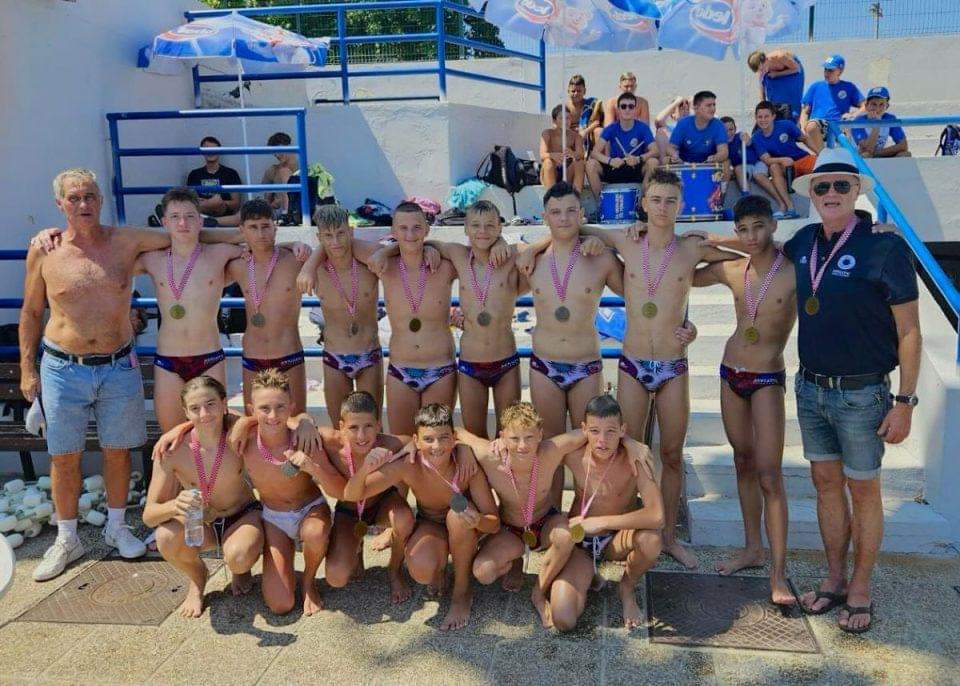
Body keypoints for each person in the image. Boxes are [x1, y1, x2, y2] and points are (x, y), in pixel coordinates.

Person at [20, 169, 237, 581]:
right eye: (74, 198)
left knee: (118, 451)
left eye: (90, 196)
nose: (83, 204)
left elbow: (184, 234)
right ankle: (67, 538)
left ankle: (117, 527)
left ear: (101, 200)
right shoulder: (46, 250)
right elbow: (31, 313)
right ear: (60, 204)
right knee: (63, 457)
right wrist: (28, 371)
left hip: (118, 363)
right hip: (62, 367)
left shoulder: (126, 241)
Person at [533, 168, 734, 569]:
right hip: (633, 363)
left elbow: (748, 252)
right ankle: (621, 528)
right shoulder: (625, 240)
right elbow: (572, 226)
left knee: (671, 453)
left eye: (671, 201)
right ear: (642, 203)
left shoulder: (691, 249)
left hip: (673, 364)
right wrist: (531, 249)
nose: (662, 208)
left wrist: (717, 239)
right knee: (627, 451)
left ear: (682, 205)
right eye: (655, 200)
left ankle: (668, 536)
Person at [787, 148, 921, 633]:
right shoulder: (803, 242)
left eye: (841, 185)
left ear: (857, 191)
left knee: (863, 492)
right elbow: (755, 247)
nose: (831, 194)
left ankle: (860, 588)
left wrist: (904, 402)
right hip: (811, 389)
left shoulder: (885, 247)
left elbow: (910, 331)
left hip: (863, 395)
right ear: (812, 195)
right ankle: (834, 578)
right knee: (825, 486)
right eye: (822, 187)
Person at [692, 195, 797, 607]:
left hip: (767, 376)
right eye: (743, 229)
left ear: (773, 225)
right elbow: (690, 271)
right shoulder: (734, 269)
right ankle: (753, 548)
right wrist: (719, 243)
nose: (751, 236)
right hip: (730, 372)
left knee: (770, 474)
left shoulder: (794, 269)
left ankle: (778, 573)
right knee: (742, 461)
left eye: (758, 227)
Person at [343, 403, 501, 631]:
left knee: (458, 517)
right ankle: (439, 569)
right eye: (428, 439)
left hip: (465, 529)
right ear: (416, 442)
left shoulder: (466, 467)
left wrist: (478, 520)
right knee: (421, 569)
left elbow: (494, 524)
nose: (436, 446)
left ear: (454, 438)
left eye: (443, 438)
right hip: (431, 525)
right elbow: (351, 494)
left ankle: (461, 591)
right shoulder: (408, 465)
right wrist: (365, 469)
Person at [368, 200, 516, 439]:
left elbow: (481, 256)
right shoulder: (385, 264)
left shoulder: (447, 264)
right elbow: (337, 247)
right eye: (403, 228)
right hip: (400, 369)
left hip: (441, 370)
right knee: (403, 444)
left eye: (417, 228)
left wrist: (501, 241)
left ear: (427, 230)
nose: (410, 234)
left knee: (440, 445)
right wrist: (387, 250)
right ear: (393, 231)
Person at [142, 376, 264, 618]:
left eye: (210, 404)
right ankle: (198, 578)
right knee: (165, 537)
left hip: (240, 516)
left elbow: (271, 421)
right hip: (200, 523)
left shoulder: (238, 435)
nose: (204, 414)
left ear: (224, 404)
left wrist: (245, 421)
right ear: (185, 412)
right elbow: (149, 516)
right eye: (195, 408)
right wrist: (174, 505)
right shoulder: (172, 450)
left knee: (239, 557)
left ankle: (240, 569)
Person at [542, 395, 663, 632]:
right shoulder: (574, 455)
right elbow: (543, 448)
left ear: (622, 430)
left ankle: (626, 588)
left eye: (611, 432)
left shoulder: (636, 459)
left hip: (616, 540)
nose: (602, 441)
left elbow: (657, 516)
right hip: (579, 543)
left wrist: (601, 522)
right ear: (583, 429)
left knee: (651, 540)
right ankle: (589, 575)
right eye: (595, 431)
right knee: (564, 619)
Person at [134, 188, 242, 430]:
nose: (183, 223)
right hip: (168, 361)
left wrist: (295, 244)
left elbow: (259, 244)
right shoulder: (152, 259)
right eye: (175, 217)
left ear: (201, 221)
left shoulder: (220, 253)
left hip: (209, 357)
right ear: (164, 222)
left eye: (190, 216)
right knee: (172, 436)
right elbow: (114, 256)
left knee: (214, 434)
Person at [229, 370, 332, 616]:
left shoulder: (301, 434)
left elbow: (302, 419)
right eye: (264, 408)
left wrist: (306, 420)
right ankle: (281, 566)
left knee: (315, 533)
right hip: (274, 518)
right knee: (280, 605)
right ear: (251, 409)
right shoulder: (244, 439)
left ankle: (308, 581)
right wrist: (172, 432)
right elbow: (207, 416)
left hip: (310, 510)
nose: (273, 416)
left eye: (280, 407)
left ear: (291, 407)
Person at [316, 391, 415, 603]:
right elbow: (294, 425)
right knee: (336, 577)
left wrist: (412, 448)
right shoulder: (330, 442)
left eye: (368, 426)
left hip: (382, 502)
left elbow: (412, 442)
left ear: (378, 425)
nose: (361, 436)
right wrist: (305, 423)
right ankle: (356, 548)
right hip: (349, 510)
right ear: (341, 426)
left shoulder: (388, 443)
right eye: (353, 427)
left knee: (404, 518)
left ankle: (395, 569)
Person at [297, 205, 384, 425]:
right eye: (328, 236)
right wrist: (309, 263)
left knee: (373, 425)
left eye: (341, 233)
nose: (335, 241)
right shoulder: (315, 268)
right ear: (319, 238)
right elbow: (273, 250)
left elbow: (400, 250)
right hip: (334, 356)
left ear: (351, 231)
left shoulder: (369, 260)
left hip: (368, 354)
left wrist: (430, 249)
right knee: (339, 427)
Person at [226, 199, 310, 416]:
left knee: (295, 422)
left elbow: (327, 254)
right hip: (253, 356)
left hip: (288, 354)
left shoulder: (295, 261)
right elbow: (201, 241)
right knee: (255, 423)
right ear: (242, 230)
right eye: (253, 227)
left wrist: (295, 244)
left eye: (265, 226)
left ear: (275, 227)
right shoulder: (237, 263)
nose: (261, 233)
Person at [586, 92, 659, 204]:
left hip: (635, 167)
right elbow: (594, 153)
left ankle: (642, 206)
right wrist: (610, 161)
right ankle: (602, 206)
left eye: (631, 106)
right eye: (623, 106)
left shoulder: (643, 128)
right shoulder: (611, 128)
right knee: (590, 164)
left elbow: (655, 151)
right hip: (615, 167)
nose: (627, 109)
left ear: (635, 109)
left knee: (653, 162)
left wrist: (638, 159)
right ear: (618, 110)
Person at [751, 101, 817, 219]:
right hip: (785, 166)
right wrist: (783, 159)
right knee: (773, 167)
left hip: (802, 158)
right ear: (756, 118)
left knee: (822, 168)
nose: (763, 120)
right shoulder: (756, 137)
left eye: (766, 116)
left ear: (773, 116)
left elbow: (804, 139)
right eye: (760, 117)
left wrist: (820, 153)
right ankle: (790, 207)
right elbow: (767, 160)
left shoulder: (786, 125)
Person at [799, 54, 864, 154]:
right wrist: (803, 128)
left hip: (839, 126)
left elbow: (865, 106)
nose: (826, 73)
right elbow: (805, 110)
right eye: (825, 69)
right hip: (819, 126)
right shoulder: (816, 86)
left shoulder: (849, 87)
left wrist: (853, 115)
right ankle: (823, 156)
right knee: (811, 126)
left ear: (840, 71)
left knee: (849, 136)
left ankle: (830, 156)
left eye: (830, 70)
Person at [186, 136, 243, 225]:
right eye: (207, 149)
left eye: (213, 149)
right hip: (201, 214)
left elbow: (236, 203)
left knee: (237, 215)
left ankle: (211, 221)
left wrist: (219, 203)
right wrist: (210, 203)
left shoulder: (231, 173)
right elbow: (192, 202)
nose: (211, 152)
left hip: (225, 216)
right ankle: (209, 221)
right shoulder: (194, 174)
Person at [667, 90, 729, 164]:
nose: (713, 108)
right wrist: (675, 156)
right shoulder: (683, 123)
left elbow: (723, 152)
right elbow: (671, 147)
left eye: (714, 105)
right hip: (684, 165)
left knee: (726, 162)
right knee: (665, 160)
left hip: (709, 164)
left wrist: (715, 158)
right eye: (708, 105)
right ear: (696, 108)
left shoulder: (718, 125)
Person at [850, 87, 910, 159]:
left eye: (881, 104)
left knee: (905, 154)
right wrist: (877, 125)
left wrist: (877, 153)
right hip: (856, 160)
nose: (877, 108)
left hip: (876, 154)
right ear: (866, 106)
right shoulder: (858, 122)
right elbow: (867, 150)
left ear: (887, 106)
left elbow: (903, 145)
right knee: (866, 155)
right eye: (874, 104)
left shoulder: (889, 119)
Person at [540, 104, 586, 193]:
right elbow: (542, 155)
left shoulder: (576, 136)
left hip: (567, 172)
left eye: (568, 118)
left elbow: (581, 155)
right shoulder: (547, 133)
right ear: (554, 120)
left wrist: (572, 153)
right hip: (551, 171)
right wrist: (554, 155)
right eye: (562, 118)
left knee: (579, 163)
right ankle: (552, 197)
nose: (565, 121)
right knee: (548, 162)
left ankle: (576, 197)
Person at [748, 49, 805, 122]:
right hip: (775, 73)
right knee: (774, 100)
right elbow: (761, 86)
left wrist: (777, 74)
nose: (762, 72)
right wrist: (763, 104)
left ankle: (794, 120)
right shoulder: (762, 68)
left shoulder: (779, 56)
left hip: (793, 71)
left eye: (762, 69)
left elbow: (797, 69)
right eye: (759, 71)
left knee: (792, 100)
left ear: (765, 60)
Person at [720, 116, 766, 198]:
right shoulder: (722, 145)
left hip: (757, 164)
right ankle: (746, 196)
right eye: (725, 131)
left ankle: (747, 198)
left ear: (735, 129)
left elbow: (748, 140)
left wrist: (746, 139)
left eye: (731, 129)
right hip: (744, 169)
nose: (728, 133)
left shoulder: (739, 136)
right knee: (737, 168)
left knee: (739, 169)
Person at [262, 132, 298, 215]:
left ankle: (288, 213)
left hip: (298, 210)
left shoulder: (305, 170)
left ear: (289, 146)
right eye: (274, 153)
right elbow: (265, 202)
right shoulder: (272, 171)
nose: (277, 155)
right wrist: (273, 204)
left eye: (279, 150)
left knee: (284, 171)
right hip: (277, 213)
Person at [566, 74, 599, 149]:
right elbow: (557, 126)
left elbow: (597, 122)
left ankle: (597, 155)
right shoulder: (564, 108)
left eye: (579, 91)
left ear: (584, 91)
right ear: (568, 91)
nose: (576, 94)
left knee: (599, 131)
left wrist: (585, 131)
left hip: (588, 135)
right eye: (573, 91)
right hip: (571, 138)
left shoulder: (591, 104)